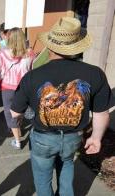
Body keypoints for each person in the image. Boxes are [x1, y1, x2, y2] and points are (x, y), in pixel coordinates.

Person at [10, 17, 114, 196]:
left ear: (49, 46)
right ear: (77, 46)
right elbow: (101, 113)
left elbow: (14, 112)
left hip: (43, 138)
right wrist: (96, 138)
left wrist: (24, 116)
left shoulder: (32, 76)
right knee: (67, 165)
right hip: (73, 137)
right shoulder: (95, 74)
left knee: (42, 179)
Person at [0, 28, 34, 149]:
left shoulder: (2, 53)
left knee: (10, 113)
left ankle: (17, 141)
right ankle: (34, 129)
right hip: (25, 87)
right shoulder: (30, 52)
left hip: (8, 88)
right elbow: (33, 69)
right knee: (25, 110)